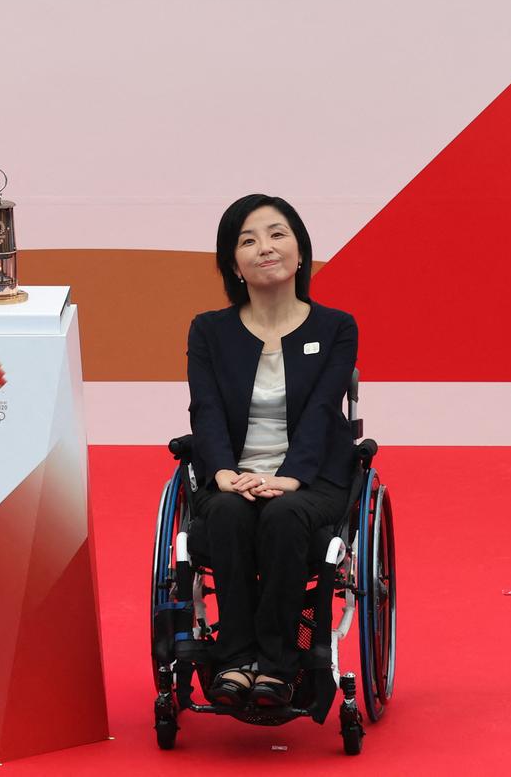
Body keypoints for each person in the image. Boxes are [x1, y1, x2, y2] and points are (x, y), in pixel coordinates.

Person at [186, 194, 358, 708]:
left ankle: (281, 666)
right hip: (231, 476)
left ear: (300, 251)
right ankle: (236, 659)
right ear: (232, 264)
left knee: (284, 516)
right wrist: (221, 472)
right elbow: (206, 409)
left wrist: (289, 477)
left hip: (312, 479)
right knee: (229, 514)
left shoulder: (336, 328)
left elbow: (325, 410)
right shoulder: (208, 330)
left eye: (277, 234)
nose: (265, 247)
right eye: (248, 239)